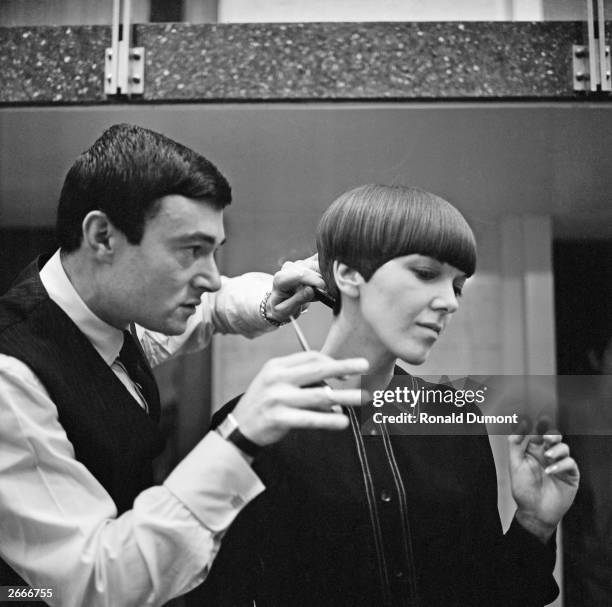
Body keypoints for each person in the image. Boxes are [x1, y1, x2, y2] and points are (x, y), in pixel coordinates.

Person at [0, 124, 369, 607]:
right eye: (191, 250)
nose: (213, 277)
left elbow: (211, 309)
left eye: (214, 251)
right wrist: (237, 438)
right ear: (103, 237)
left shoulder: (105, 309)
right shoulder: (12, 379)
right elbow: (91, 586)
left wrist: (270, 301)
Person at [192, 184, 580, 607]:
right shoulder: (254, 422)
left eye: (459, 286)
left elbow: (486, 592)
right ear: (347, 273)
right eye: (427, 274)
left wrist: (535, 523)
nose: (449, 302)